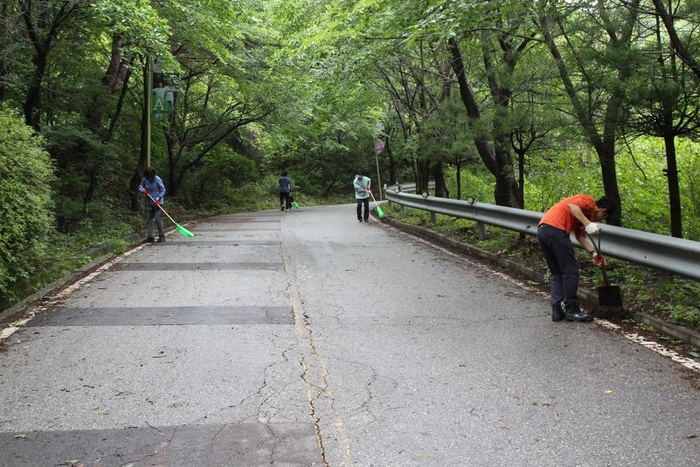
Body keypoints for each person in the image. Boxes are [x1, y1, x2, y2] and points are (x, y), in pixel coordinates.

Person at [537, 194, 616, 322]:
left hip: (543, 230)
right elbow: (572, 206)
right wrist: (588, 224)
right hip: (555, 230)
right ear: (602, 211)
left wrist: (594, 253)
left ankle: (557, 310)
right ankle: (571, 309)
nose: (599, 221)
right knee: (571, 270)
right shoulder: (589, 201)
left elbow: (580, 237)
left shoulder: (584, 216)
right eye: (603, 218)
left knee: (557, 273)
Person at [139, 166, 167, 243]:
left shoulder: (158, 179)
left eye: (150, 176)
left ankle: (162, 236)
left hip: (158, 202)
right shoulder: (145, 180)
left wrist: (158, 198)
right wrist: (143, 191)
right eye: (148, 177)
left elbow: (163, 190)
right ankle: (150, 236)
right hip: (149, 202)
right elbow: (140, 187)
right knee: (149, 219)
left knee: (158, 219)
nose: (149, 178)